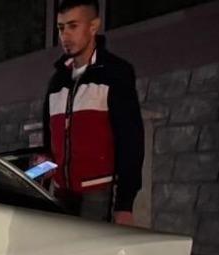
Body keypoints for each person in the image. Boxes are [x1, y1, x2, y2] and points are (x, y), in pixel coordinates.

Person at [43, 0, 144, 226]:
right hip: (61, 194)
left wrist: (124, 205)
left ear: (93, 26)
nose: (65, 35)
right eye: (61, 28)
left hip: (98, 194)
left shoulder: (115, 73)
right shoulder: (56, 82)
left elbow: (131, 141)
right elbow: (49, 144)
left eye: (73, 26)